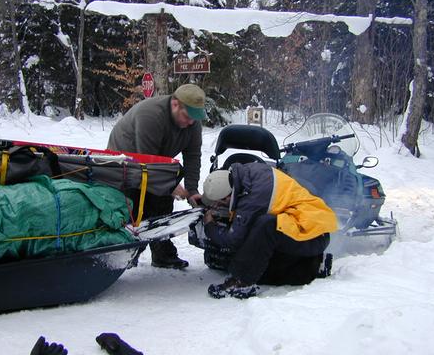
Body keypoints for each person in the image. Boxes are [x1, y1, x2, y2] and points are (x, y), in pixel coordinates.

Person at [201, 162, 338, 299]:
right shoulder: (246, 175)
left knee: (265, 227)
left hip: (313, 234)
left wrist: (210, 225)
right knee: (259, 262)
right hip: (302, 227)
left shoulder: (254, 199)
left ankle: (241, 282)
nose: (218, 205)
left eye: (220, 202)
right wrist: (203, 201)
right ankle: (314, 264)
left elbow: (234, 239)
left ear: (227, 196)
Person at [107, 83, 205, 269]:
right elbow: (146, 159)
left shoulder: (193, 122)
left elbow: (193, 156)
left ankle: (162, 252)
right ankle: (125, 251)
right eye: (187, 116)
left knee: (162, 202)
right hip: (125, 159)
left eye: (195, 118)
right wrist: (170, 186)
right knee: (133, 205)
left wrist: (192, 190)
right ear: (175, 104)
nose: (191, 122)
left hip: (156, 160)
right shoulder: (151, 115)